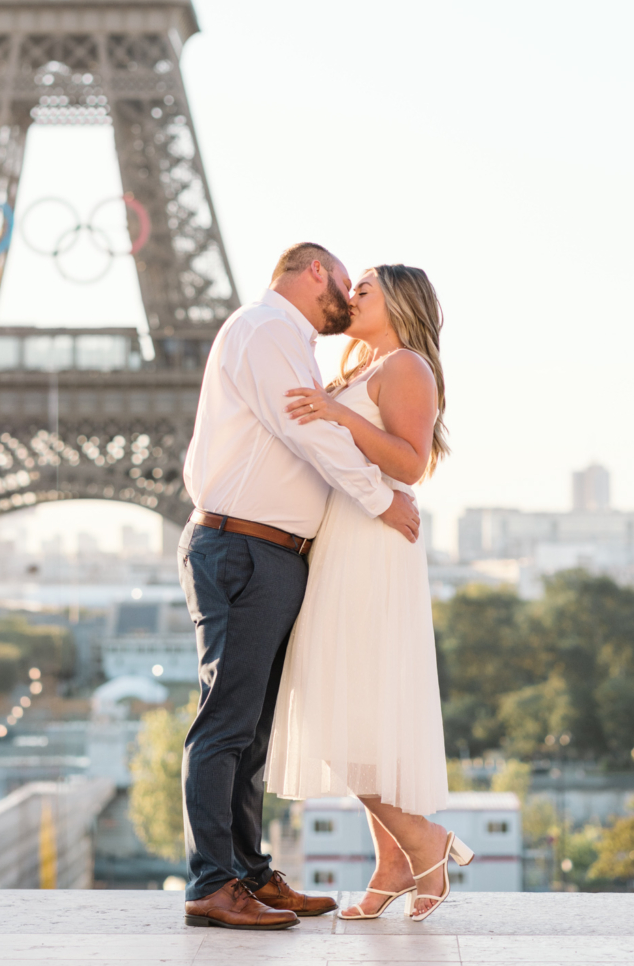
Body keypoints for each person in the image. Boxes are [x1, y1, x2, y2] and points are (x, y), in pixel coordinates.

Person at [177, 242, 422, 931]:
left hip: (269, 551)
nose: (347, 302)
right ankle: (212, 883)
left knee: (249, 728)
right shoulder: (263, 331)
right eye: (345, 287)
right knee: (226, 721)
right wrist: (379, 500)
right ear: (315, 271)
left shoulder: (291, 342)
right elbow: (305, 434)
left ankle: (247, 875)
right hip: (243, 545)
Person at [265, 263, 471, 922]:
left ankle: (422, 842)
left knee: (336, 706)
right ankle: (394, 862)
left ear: (399, 303)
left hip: (373, 543)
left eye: (363, 290)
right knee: (353, 706)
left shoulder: (405, 366)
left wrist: (331, 412)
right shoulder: (358, 369)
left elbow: (411, 462)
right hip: (344, 540)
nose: (348, 296)